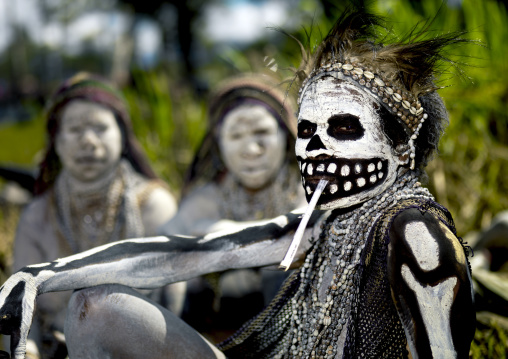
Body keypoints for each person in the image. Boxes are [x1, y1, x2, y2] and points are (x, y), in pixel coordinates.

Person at [0, 8, 475, 359]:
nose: (317, 149)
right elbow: (189, 251)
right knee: (94, 305)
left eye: (345, 129)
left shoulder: (417, 237)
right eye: (308, 132)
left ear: (400, 148)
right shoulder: (320, 223)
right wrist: (44, 276)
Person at [7, 73, 179, 359]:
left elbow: (174, 302)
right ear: (57, 142)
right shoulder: (37, 218)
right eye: (74, 129)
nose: (88, 140)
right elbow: (21, 312)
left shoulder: (153, 206)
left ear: (122, 137)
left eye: (100, 128)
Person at [159, 74, 306, 340]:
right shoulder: (208, 199)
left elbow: (307, 234)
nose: (251, 148)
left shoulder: (309, 189)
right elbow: (162, 250)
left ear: (285, 135)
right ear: (219, 145)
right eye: (235, 135)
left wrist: (226, 233)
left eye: (262, 132)